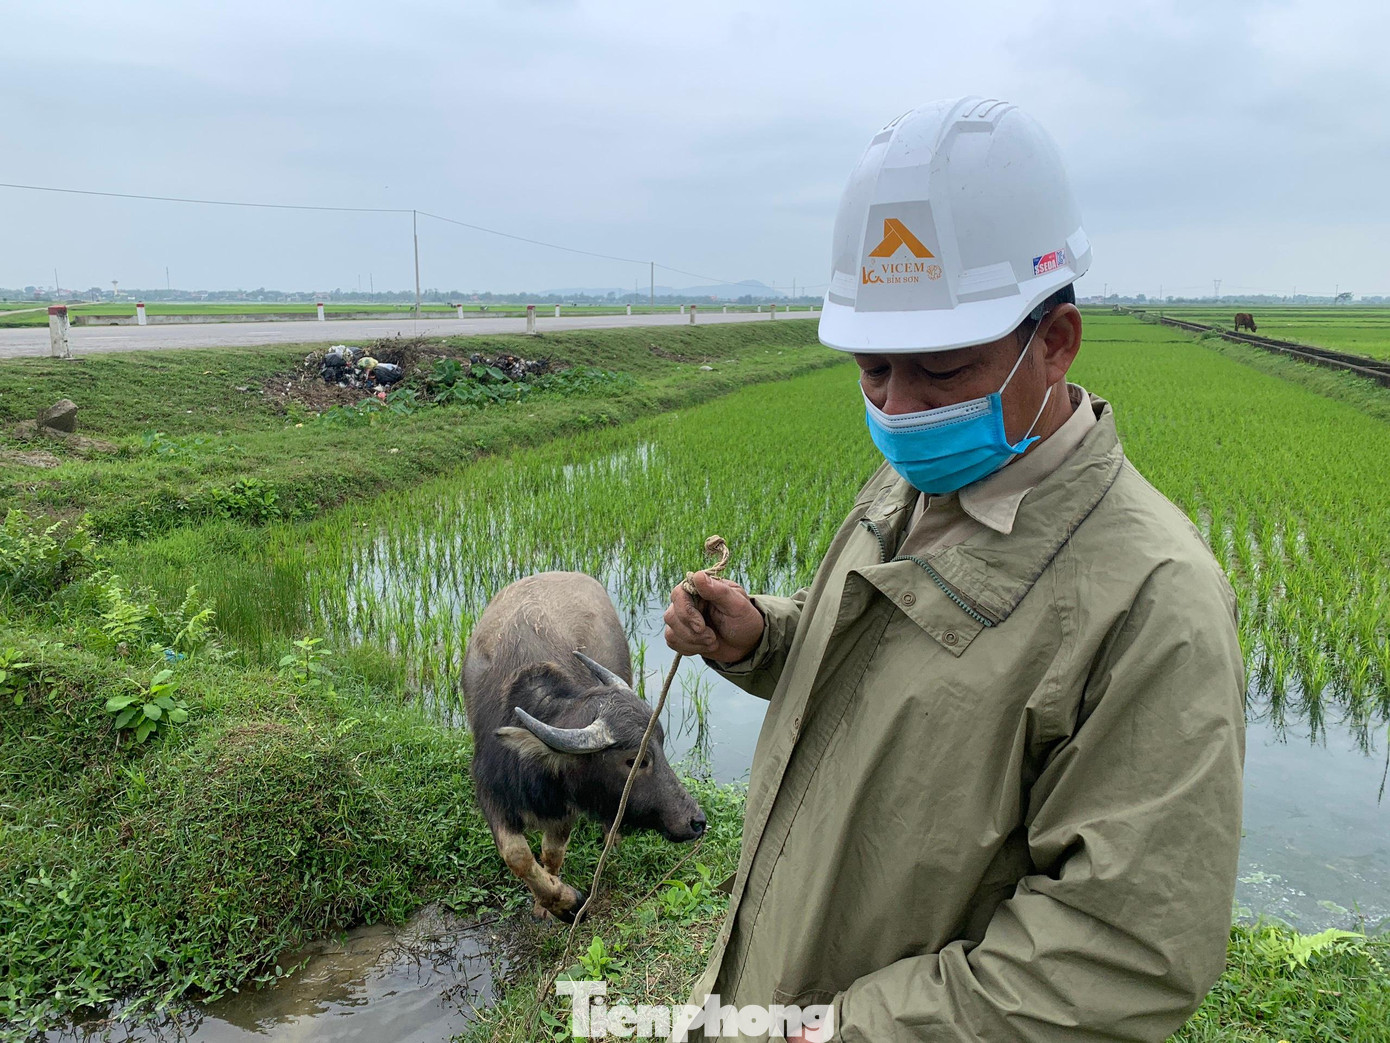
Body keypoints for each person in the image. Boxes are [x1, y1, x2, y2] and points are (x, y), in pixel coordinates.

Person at [664, 97, 1245, 1042]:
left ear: (1053, 344)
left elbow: (1119, 953)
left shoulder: (1154, 600)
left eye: (940, 371)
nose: (899, 409)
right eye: (872, 371)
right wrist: (767, 636)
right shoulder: (918, 477)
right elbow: (897, 666)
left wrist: (828, 1028)